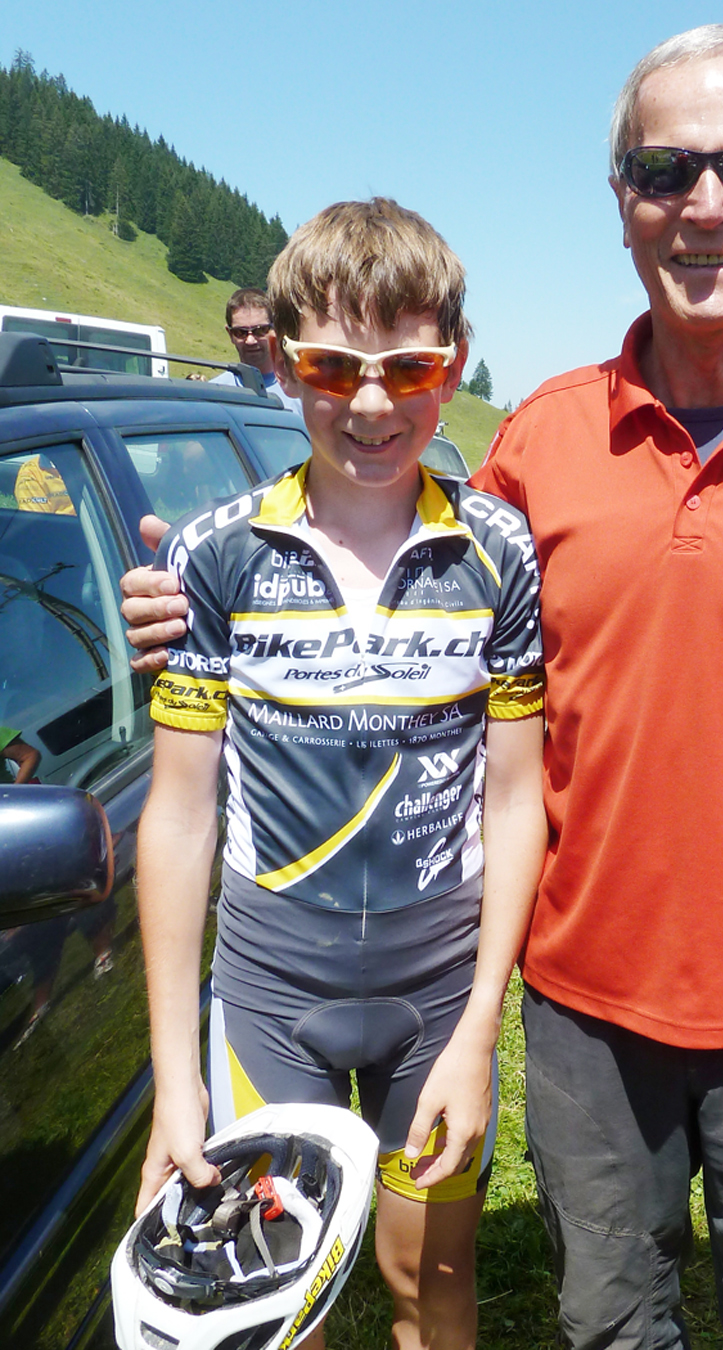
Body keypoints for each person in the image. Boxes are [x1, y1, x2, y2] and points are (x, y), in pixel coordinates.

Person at [121, 26, 723, 1350]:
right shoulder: (541, 441)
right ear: (620, 198)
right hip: (583, 1018)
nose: (706, 204)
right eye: (664, 169)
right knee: (607, 1323)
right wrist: (200, 599)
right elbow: (388, 558)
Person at [135, 198, 546, 1350]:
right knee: (274, 1306)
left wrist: (480, 1026)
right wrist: (175, 1077)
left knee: (431, 1284)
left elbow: (518, 797)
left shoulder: (498, 551)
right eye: (331, 366)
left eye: (408, 369)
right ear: (281, 360)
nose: (370, 404)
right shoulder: (216, 555)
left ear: (451, 365)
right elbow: (179, 818)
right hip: (269, 994)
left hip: (436, 995)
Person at [210, 285, 304, 415]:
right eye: (240, 332)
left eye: (260, 331)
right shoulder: (214, 394)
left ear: (276, 330)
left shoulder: (302, 392)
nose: (250, 340)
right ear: (230, 334)